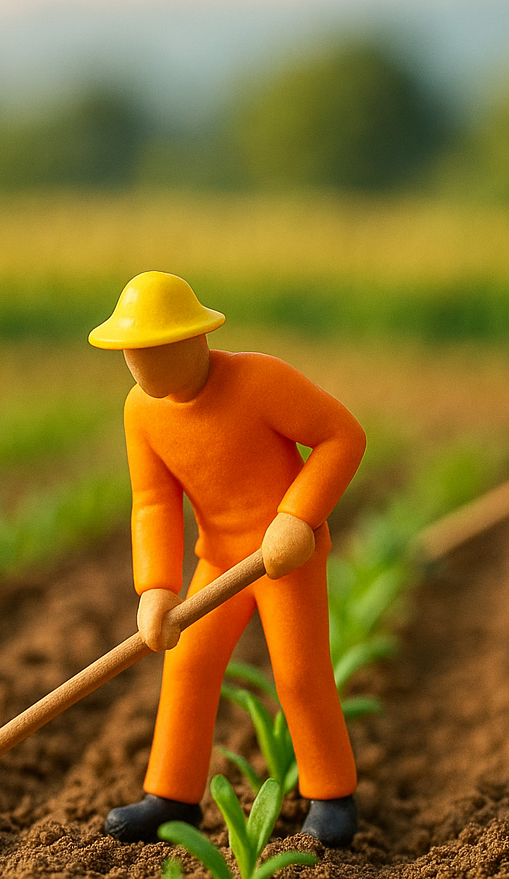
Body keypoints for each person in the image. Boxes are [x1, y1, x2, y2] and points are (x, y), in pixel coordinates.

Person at [90, 271, 367, 847]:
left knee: (297, 673)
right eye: (131, 355)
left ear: (194, 339)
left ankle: (331, 794)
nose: (140, 369)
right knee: (188, 665)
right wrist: (157, 589)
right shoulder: (142, 413)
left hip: (284, 558)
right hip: (218, 560)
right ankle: (170, 795)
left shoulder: (259, 380)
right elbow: (153, 504)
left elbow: (342, 435)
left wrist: (296, 517)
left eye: (153, 351)